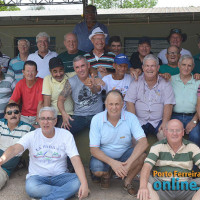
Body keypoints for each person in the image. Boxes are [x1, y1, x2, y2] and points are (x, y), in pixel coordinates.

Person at [0, 106, 89, 199]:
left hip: (61, 177)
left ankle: (48, 197)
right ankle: (66, 192)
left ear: (55, 121)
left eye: (49, 119)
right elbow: (15, 148)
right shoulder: (31, 135)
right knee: (31, 188)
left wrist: (84, 183)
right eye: (42, 118)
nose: (45, 122)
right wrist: (2, 159)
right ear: (38, 120)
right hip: (37, 178)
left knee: (79, 181)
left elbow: (75, 158)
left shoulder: (66, 135)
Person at [90, 90, 148, 195]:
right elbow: (93, 149)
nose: (114, 107)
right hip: (105, 156)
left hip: (125, 155)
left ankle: (127, 181)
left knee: (142, 156)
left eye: (117, 104)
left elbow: (143, 142)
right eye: (111, 104)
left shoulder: (131, 117)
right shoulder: (96, 119)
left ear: (122, 105)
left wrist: (129, 164)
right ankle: (106, 174)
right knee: (97, 170)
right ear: (106, 104)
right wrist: (113, 163)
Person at [137, 119, 200, 200]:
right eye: (171, 130)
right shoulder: (157, 147)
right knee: (147, 181)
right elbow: (147, 166)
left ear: (183, 132)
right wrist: (142, 187)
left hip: (186, 187)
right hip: (161, 187)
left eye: (178, 130)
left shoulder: (192, 147)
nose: (174, 133)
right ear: (165, 132)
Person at [125, 54, 175, 140]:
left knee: (165, 137)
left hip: (158, 121)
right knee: (134, 140)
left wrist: (165, 122)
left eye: (153, 66)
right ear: (143, 68)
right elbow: (129, 103)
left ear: (158, 68)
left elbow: (169, 104)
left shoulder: (165, 83)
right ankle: (141, 153)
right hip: (140, 121)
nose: (149, 69)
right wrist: (133, 123)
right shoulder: (136, 82)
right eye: (147, 66)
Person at [57, 55, 103, 134]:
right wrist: (64, 114)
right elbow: (60, 100)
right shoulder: (71, 81)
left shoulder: (96, 77)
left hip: (96, 115)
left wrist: (92, 87)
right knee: (60, 132)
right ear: (74, 69)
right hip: (79, 116)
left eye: (82, 66)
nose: (80, 70)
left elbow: (97, 90)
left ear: (88, 65)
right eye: (77, 67)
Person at [0, 103, 34, 190]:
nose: (13, 115)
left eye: (16, 112)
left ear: (20, 114)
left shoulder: (27, 128)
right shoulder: (0, 124)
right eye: (9, 113)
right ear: (5, 116)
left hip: (3, 170)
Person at [171, 55, 200, 147]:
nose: (186, 68)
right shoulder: (171, 80)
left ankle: (196, 161)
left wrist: (194, 121)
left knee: (195, 135)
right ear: (179, 65)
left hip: (193, 116)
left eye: (189, 65)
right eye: (183, 65)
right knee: (170, 135)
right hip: (174, 116)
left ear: (193, 67)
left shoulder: (198, 81)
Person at [9, 60, 43, 127]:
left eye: (32, 71)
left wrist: (37, 121)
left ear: (36, 72)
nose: (30, 74)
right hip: (23, 116)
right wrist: (9, 115)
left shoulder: (42, 82)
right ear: (23, 72)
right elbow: (12, 101)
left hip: (38, 116)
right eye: (27, 71)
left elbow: (41, 103)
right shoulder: (20, 83)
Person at [42, 57, 74, 127]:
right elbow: (46, 104)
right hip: (54, 115)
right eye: (55, 71)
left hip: (70, 114)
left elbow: (87, 69)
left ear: (64, 69)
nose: (59, 74)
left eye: (61, 70)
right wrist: (48, 119)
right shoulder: (47, 79)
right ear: (50, 72)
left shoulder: (71, 76)